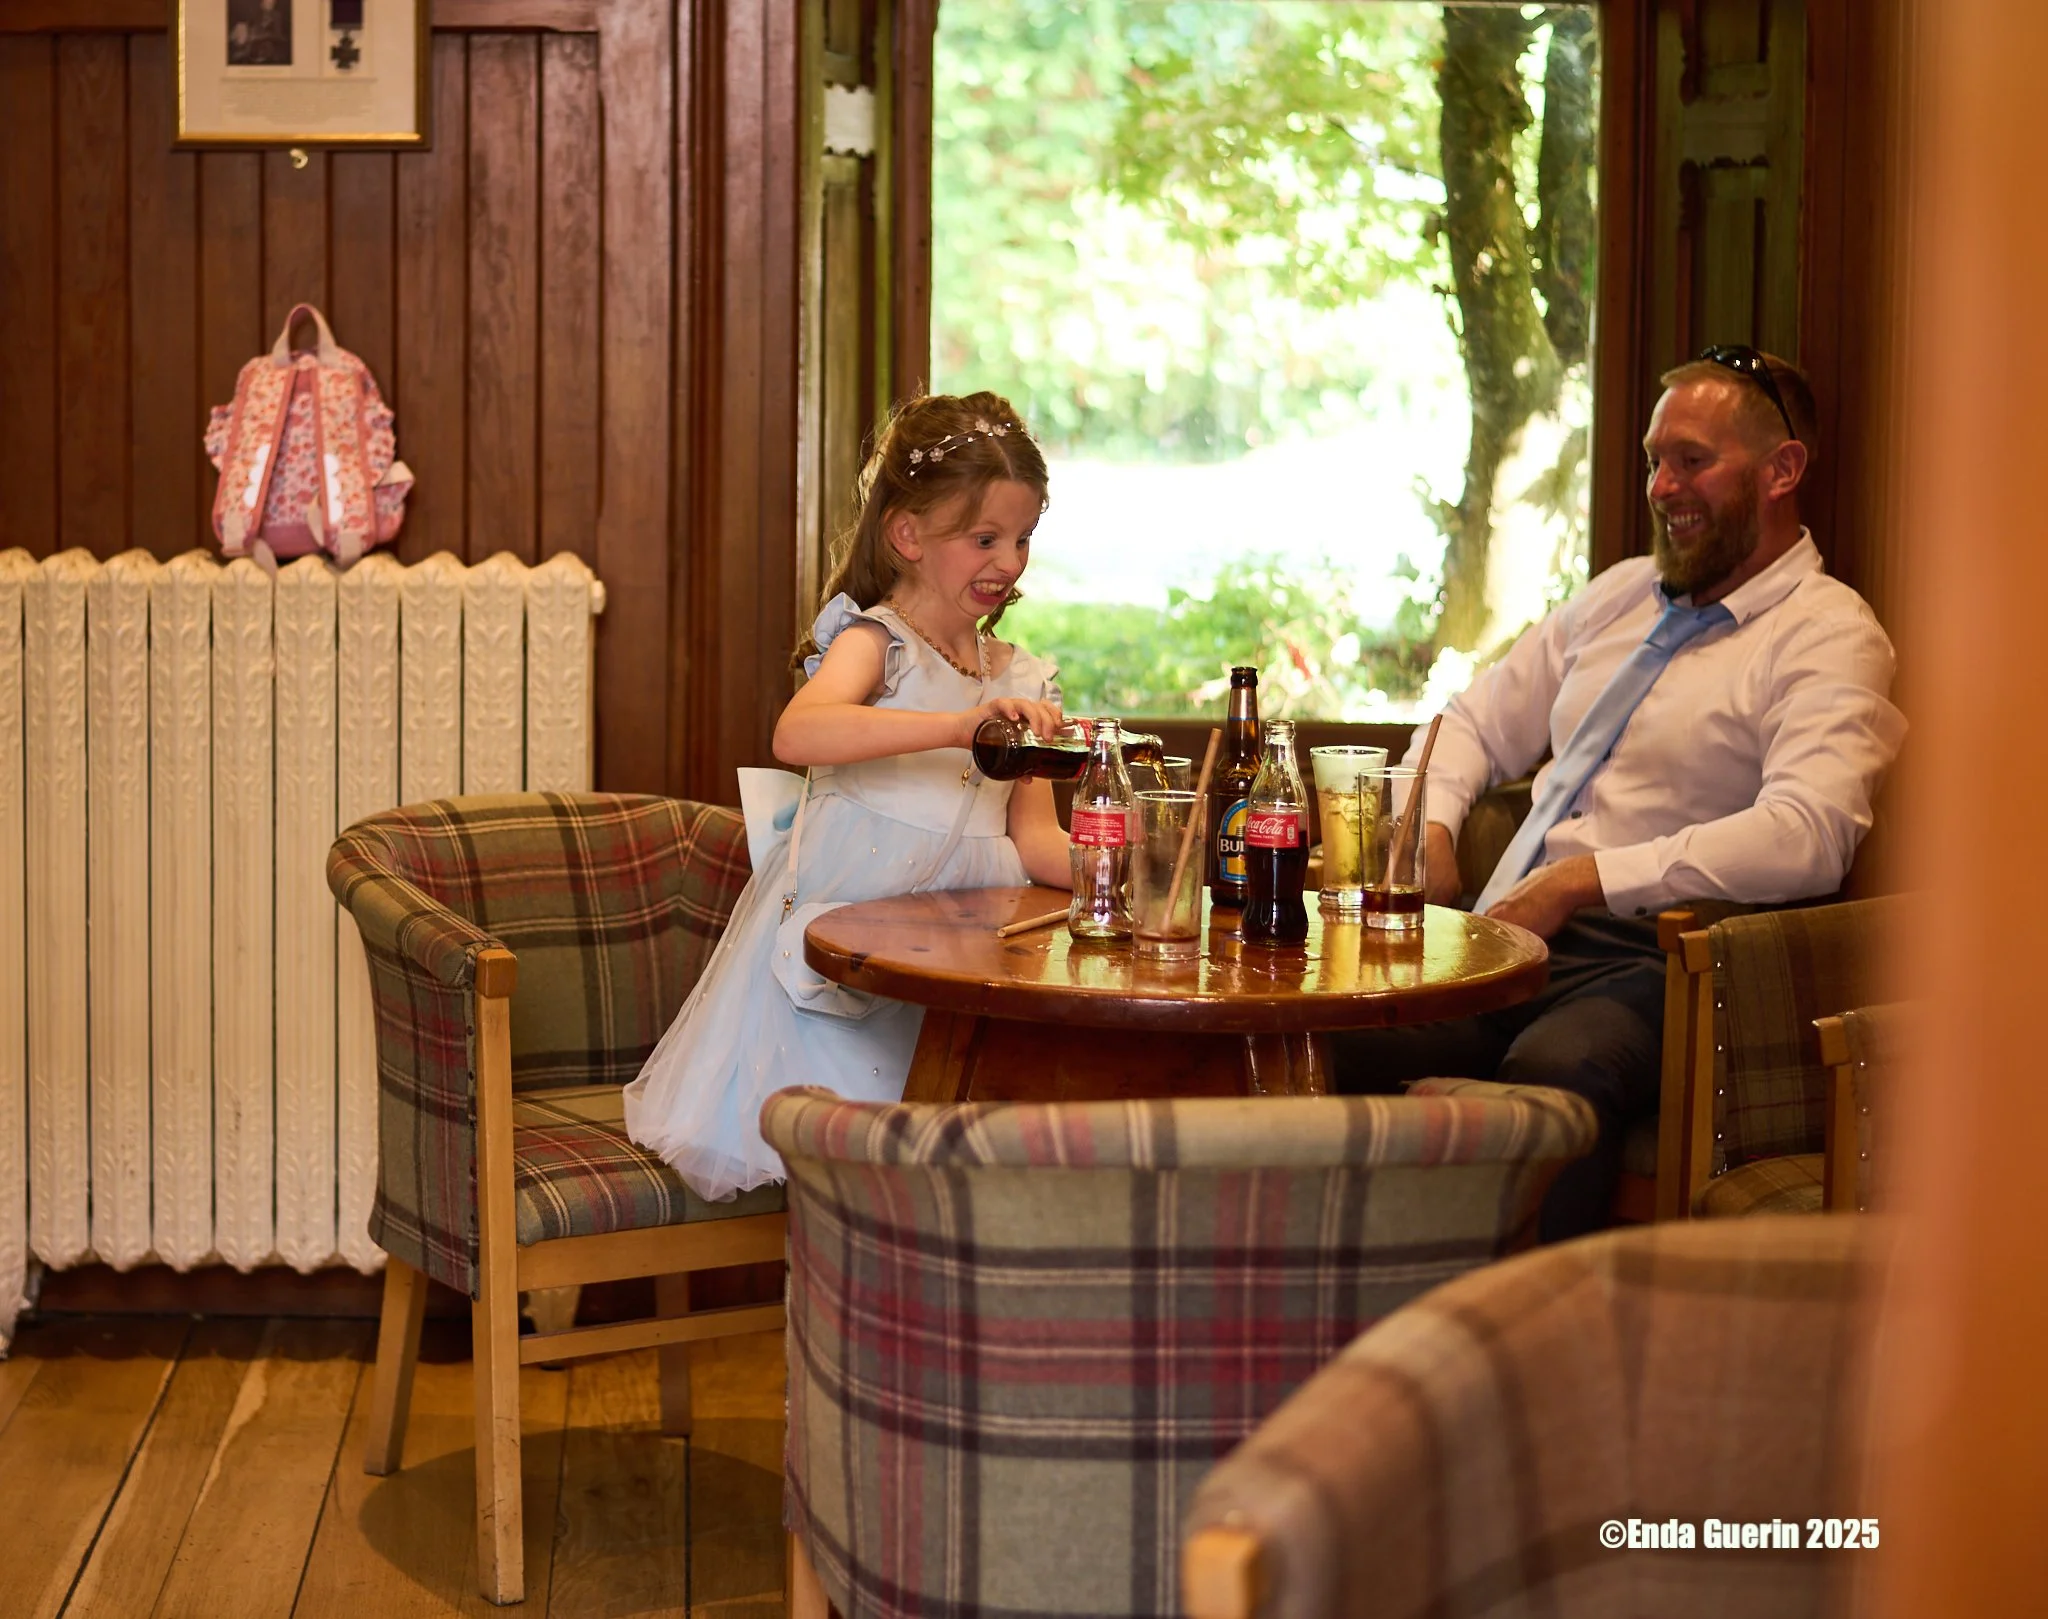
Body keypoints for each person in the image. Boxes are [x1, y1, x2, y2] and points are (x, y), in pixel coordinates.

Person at [1334, 348, 1906, 1239]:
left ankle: (1541, 1340)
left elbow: (1810, 832)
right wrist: (1433, 823)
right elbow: (1473, 721)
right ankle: (1350, 1309)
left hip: (1660, 957)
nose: (1661, 486)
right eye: (1652, 459)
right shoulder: (1619, 598)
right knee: (1318, 1032)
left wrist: (1585, 879)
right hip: (1502, 933)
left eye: (1693, 460)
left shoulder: (1828, 635)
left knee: (1557, 1068)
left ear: (1782, 471)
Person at [625, 392, 1070, 1201]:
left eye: (1023, 538)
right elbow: (798, 734)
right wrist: (956, 728)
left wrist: (1143, 873)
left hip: (970, 948)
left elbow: (1037, 840)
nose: (1008, 561)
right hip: (856, 941)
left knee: (944, 1170)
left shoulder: (1022, 674)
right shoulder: (876, 643)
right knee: (853, 1175)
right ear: (907, 536)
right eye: (984, 538)